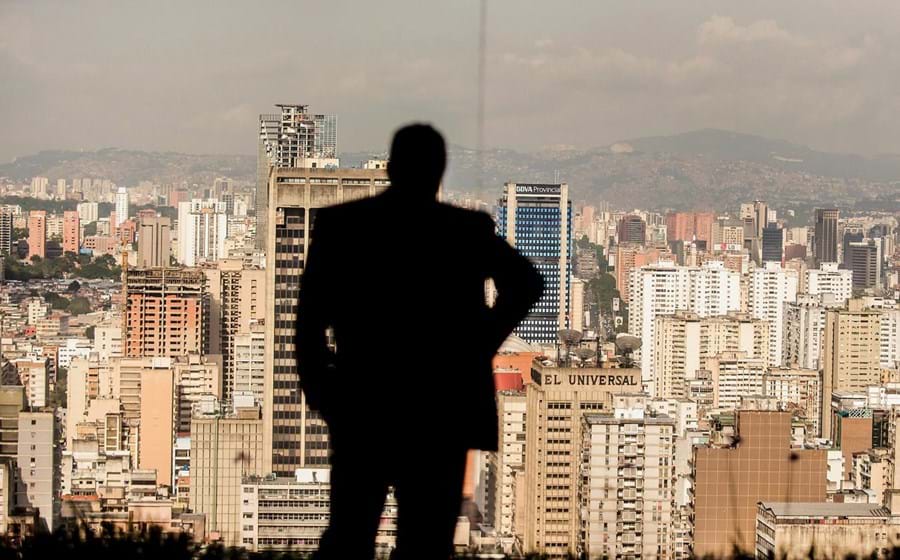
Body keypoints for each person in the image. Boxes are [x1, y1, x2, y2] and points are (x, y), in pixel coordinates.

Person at [297, 123, 543, 559]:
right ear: (440, 171)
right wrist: (478, 343)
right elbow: (526, 283)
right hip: (440, 410)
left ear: (391, 168)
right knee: (427, 545)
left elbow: (309, 320)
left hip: (364, 404)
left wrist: (326, 392)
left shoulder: (343, 226)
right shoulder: (464, 230)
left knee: (348, 537)